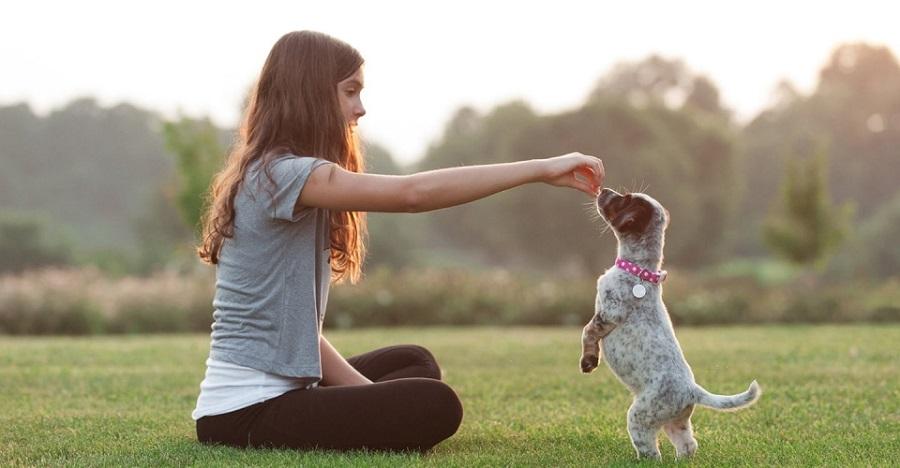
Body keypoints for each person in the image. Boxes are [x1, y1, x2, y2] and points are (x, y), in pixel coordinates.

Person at [191, 30, 605, 452]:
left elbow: (301, 334)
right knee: (434, 403)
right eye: (350, 92)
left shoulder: (279, 172)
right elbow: (412, 195)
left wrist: (365, 396)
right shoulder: (282, 174)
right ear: (312, 94)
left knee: (414, 362)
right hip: (246, 410)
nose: (360, 108)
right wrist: (540, 169)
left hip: (281, 391)